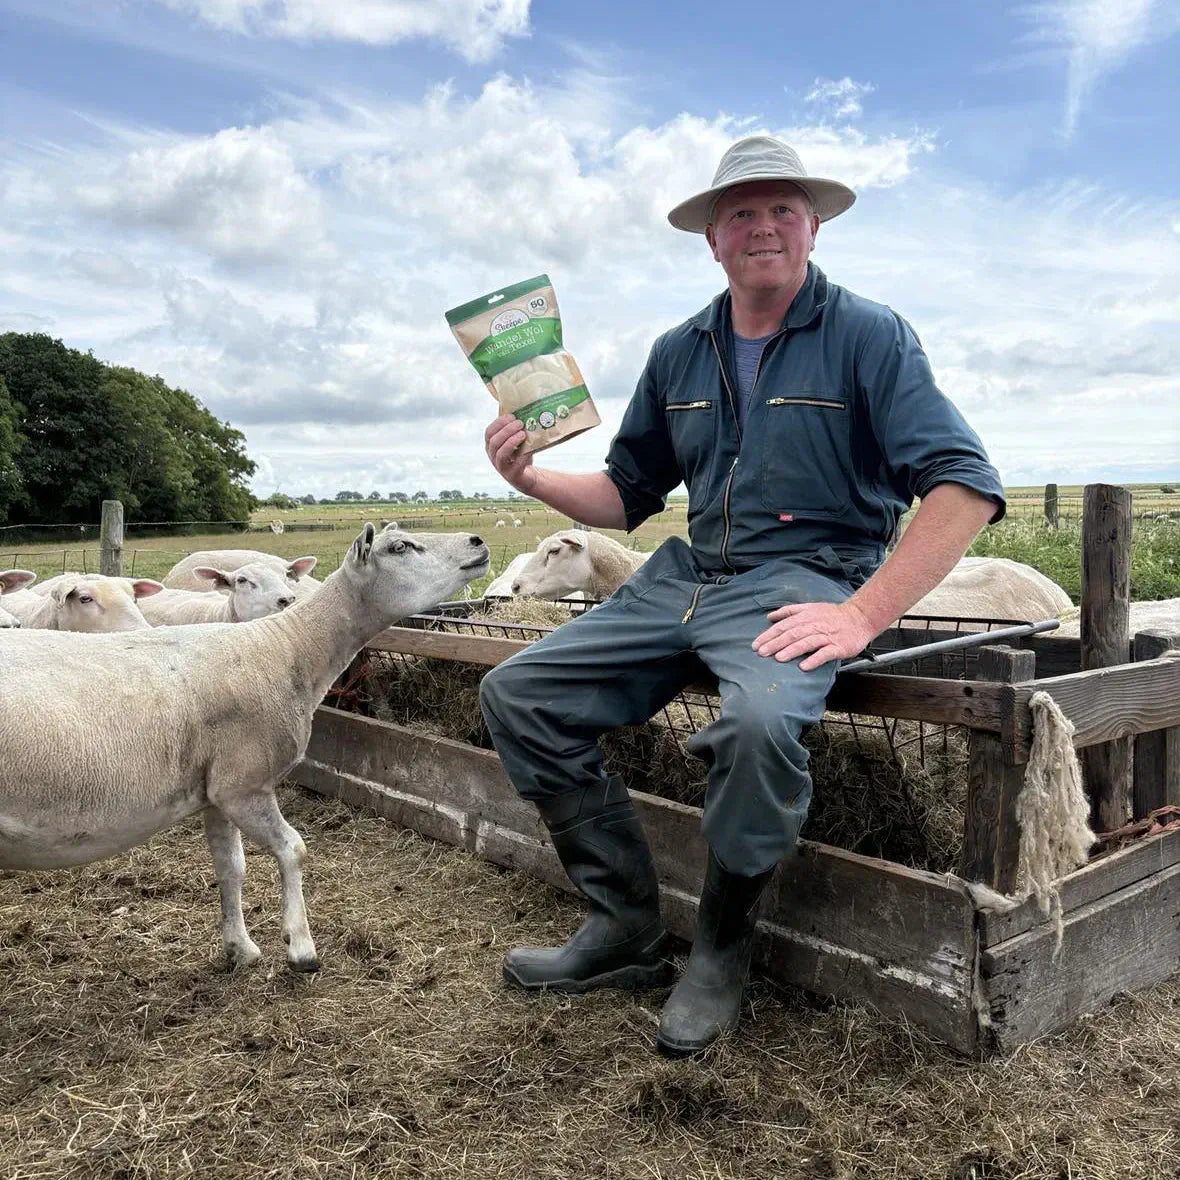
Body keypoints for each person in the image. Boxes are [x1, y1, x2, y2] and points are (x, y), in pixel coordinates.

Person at [479, 135, 1005, 1058]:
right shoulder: (679, 350)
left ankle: (721, 952)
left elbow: (964, 484)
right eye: (741, 214)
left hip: (803, 581)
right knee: (516, 693)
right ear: (712, 239)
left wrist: (861, 613)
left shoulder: (867, 335)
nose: (763, 226)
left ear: (811, 228)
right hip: (683, 576)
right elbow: (627, 496)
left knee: (761, 727)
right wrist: (536, 484)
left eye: (782, 210)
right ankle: (625, 929)